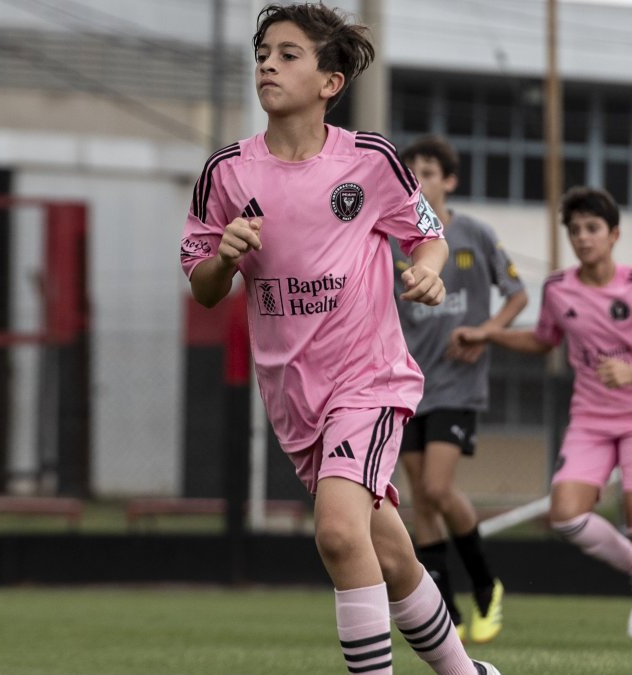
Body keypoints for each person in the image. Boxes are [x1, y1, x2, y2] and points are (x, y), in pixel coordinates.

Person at [179, 4, 500, 674]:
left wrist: (431, 276)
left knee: (336, 530)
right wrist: (226, 256)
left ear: (330, 81)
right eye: (263, 51)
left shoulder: (369, 160)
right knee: (387, 549)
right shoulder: (228, 173)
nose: (267, 62)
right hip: (294, 399)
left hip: (369, 380)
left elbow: (428, 236)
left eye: (288, 53)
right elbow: (203, 285)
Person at [453, 186, 632, 652]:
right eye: (575, 231)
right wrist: (491, 334)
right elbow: (544, 340)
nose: (583, 238)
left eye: (592, 229)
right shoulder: (558, 289)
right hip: (590, 419)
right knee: (566, 514)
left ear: (614, 235)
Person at [391, 136, 527, 644]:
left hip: (457, 384)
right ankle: (444, 607)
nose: (419, 180)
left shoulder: (473, 234)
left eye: (428, 172)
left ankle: (487, 585)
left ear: (449, 181)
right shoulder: (393, 242)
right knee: (422, 503)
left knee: (436, 489)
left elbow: (517, 295)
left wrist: (486, 333)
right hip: (408, 385)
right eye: (411, 173)